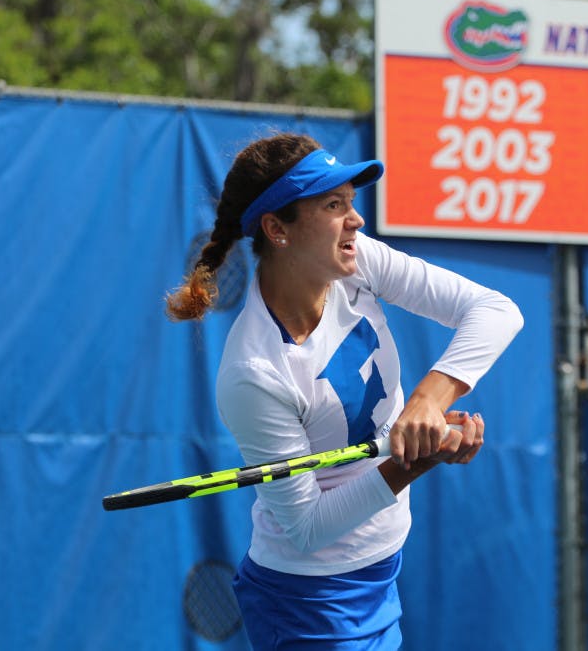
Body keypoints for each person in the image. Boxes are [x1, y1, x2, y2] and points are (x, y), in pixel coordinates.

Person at [166, 133, 523, 650]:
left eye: (351, 203)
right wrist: (417, 459)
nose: (355, 220)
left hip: (381, 568)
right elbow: (308, 528)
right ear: (277, 229)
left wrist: (429, 402)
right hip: (309, 604)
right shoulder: (253, 372)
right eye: (333, 205)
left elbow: (496, 312)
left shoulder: (358, 262)